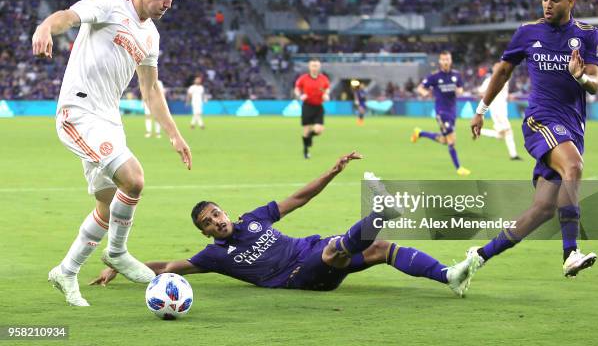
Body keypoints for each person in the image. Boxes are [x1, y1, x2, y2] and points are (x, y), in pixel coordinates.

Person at [91, 152, 478, 296]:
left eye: (216, 213)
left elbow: (299, 198)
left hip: (307, 247)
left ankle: (448, 276)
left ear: (225, 212)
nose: (216, 221)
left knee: (378, 249)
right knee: (336, 251)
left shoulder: (254, 219)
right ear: (205, 232)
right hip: (297, 275)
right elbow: (168, 268)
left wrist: (331, 171)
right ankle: (381, 213)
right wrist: (117, 265)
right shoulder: (214, 256)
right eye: (208, 222)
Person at [32, 0, 193, 307]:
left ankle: (66, 270)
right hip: (78, 112)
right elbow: (67, 17)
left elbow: (151, 91)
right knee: (133, 180)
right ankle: (117, 252)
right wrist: (46, 26)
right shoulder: (109, 3)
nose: (167, 3)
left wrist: (175, 135)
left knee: (107, 205)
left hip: (109, 120)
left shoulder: (151, 35)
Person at [469, 0, 598, 278]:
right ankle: (570, 252)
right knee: (574, 167)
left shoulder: (589, 35)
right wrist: (481, 110)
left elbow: (595, 83)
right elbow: (503, 70)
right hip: (539, 120)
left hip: (571, 127)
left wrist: (581, 77)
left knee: (542, 209)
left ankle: (477, 257)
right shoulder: (528, 33)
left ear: (571, 2)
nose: (547, 4)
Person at [412, 51, 470, 176]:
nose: (445, 62)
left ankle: (420, 133)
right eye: (443, 60)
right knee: (451, 140)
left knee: (444, 140)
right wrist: (424, 93)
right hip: (441, 112)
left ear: (451, 60)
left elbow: (460, 89)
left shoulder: (456, 75)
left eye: (447, 59)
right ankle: (459, 168)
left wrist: (459, 91)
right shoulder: (434, 76)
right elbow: (420, 88)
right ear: (440, 61)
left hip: (452, 112)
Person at [477, 63, 522, 160]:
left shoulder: (505, 79)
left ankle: (480, 131)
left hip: (503, 109)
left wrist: (509, 97)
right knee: (508, 130)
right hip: (496, 110)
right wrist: (486, 96)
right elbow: (481, 92)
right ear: (494, 69)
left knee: (501, 135)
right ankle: (513, 155)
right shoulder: (489, 80)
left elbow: (503, 94)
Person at [294, 58, 330, 159]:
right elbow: (297, 89)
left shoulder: (323, 79)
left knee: (319, 130)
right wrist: (300, 95)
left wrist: (326, 95)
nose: (315, 68)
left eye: (316, 66)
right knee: (306, 130)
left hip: (318, 106)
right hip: (307, 106)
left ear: (319, 67)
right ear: (309, 67)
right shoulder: (303, 78)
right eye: (313, 66)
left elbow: (327, 89)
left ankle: (310, 136)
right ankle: (306, 151)